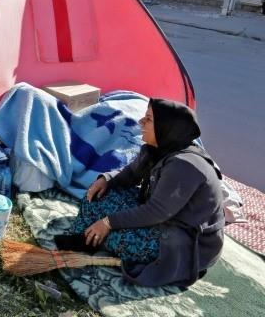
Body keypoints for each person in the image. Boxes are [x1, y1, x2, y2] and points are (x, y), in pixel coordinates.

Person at [55, 99, 225, 287]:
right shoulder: (160, 149)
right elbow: (131, 174)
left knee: (116, 236)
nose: (141, 122)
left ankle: (91, 237)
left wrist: (108, 223)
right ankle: (90, 237)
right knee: (96, 196)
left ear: (165, 126)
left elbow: (156, 212)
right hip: (161, 218)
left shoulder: (184, 165)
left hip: (183, 241)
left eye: (149, 119)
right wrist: (107, 179)